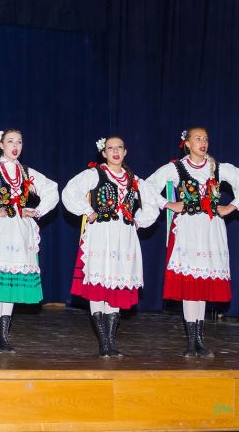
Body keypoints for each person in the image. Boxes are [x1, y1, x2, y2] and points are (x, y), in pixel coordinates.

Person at [145, 127, 239, 357]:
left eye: (205, 138)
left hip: (211, 229)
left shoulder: (218, 168)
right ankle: (190, 341)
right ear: (187, 143)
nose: (203, 142)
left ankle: (199, 340)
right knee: (190, 285)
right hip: (188, 228)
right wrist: (168, 204)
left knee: (203, 283)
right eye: (197, 139)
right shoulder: (176, 168)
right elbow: (147, 186)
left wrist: (231, 207)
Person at [61, 136, 161, 357]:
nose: (115, 152)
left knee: (116, 286)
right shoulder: (95, 174)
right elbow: (70, 191)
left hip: (124, 238)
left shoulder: (135, 180)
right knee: (99, 286)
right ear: (104, 153)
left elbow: (152, 204)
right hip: (100, 235)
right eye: (110, 148)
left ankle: (111, 341)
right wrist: (88, 211)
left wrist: (139, 220)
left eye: (119, 148)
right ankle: (104, 342)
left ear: (125, 152)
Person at [0, 129, 59, 353]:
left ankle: (4, 338)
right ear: (1, 145)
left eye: (19, 142)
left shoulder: (27, 172)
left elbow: (52, 189)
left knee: (10, 284)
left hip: (19, 232)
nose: (15, 146)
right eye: (10, 141)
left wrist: (37, 210)